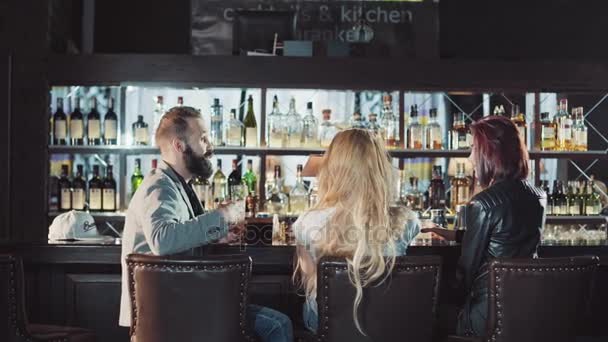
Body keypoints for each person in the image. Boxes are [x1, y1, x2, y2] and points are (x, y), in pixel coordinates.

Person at [119, 106, 293, 342]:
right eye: (202, 138)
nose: (210, 146)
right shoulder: (158, 186)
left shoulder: (177, 185)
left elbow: (174, 242)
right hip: (170, 314)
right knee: (277, 326)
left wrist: (217, 237)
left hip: (179, 305)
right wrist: (223, 216)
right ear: (179, 145)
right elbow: (163, 240)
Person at [423, 115, 546, 337]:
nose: (470, 157)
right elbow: (507, 238)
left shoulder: (483, 203)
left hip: (486, 316)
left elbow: (465, 274)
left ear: (490, 153)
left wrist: (435, 292)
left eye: (473, 149)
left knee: (423, 315)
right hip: (526, 310)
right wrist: (454, 234)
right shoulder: (538, 197)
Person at [292, 129, 420, 334]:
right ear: (379, 169)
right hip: (390, 324)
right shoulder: (408, 220)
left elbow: (309, 282)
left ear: (332, 168)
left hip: (330, 325)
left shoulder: (306, 222)